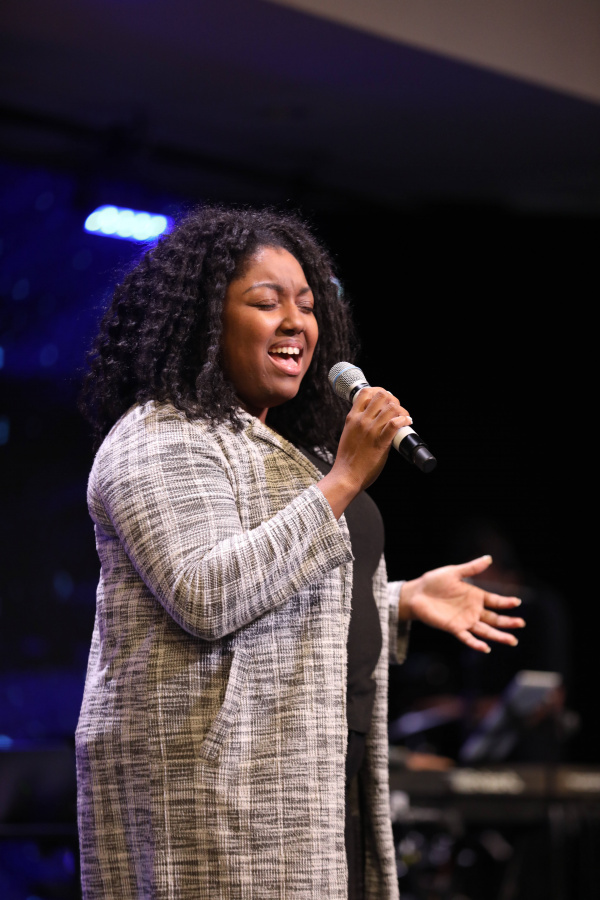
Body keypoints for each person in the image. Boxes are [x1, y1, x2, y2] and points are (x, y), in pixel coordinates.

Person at [75, 206, 524, 900]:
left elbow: (279, 596)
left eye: (308, 306)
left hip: (313, 780)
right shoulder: (158, 438)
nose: (296, 322)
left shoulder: (287, 447)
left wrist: (397, 600)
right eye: (267, 303)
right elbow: (208, 593)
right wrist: (343, 480)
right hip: (217, 802)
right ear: (204, 320)